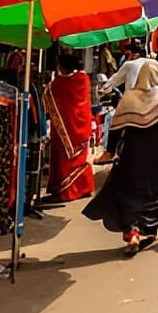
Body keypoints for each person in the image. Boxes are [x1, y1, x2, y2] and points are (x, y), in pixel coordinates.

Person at [83, 60, 158, 254]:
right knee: (153, 190)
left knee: (130, 191)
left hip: (132, 152)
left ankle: (133, 233)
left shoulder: (129, 98)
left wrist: (110, 151)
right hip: (156, 154)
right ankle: (149, 230)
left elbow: (116, 127)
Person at [42, 54, 95, 202]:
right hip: (82, 125)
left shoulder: (58, 84)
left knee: (63, 159)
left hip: (66, 129)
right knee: (81, 158)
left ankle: (66, 192)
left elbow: (47, 99)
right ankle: (85, 188)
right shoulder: (84, 79)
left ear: (61, 67)